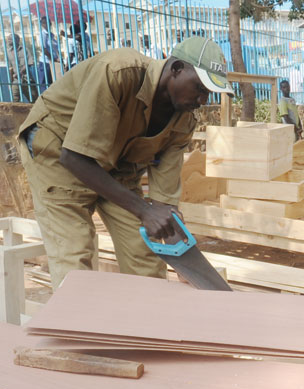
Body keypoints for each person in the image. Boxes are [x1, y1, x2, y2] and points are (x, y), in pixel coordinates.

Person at [17, 36, 234, 289]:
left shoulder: (184, 121)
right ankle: (75, 312)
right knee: (74, 259)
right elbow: (73, 157)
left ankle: (150, 314)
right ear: (176, 69)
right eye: (199, 88)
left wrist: (176, 243)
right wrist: (144, 211)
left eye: (208, 93)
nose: (203, 101)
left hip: (115, 165)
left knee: (146, 255)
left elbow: (163, 200)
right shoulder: (118, 71)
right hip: (58, 153)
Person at [6, 33, 37, 103]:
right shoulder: (8, 52)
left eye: (11, 38)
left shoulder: (24, 50)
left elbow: (30, 63)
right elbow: (10, 68)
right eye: (8, 39)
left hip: (27, 79)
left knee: (34, 100)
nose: (8, 40)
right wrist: (10, 82)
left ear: (17, 40)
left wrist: (20, 72)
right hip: (16, 80)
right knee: (14, 100)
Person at [36, 16, 60, 91]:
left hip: (53, 62)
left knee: (53, 82)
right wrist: (53, 59)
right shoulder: (42, 34)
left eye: (48, 23)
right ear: (41, 24)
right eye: (44, 23)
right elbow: (44, 49)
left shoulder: (51, 35)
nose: (46, 24)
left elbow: (55, 48)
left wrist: (58, 57)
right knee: (44, 83)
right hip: (46, 62)